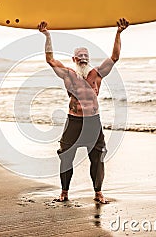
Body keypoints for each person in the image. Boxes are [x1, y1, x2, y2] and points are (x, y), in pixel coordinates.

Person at [38, 18, 129, 204]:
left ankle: (98, 193)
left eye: (85, 55)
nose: (82, 58)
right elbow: (50, 60)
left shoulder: (97, 74)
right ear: (74, 59)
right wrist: (47, 35)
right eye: (79, 56)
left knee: (97, 157)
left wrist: (118, 33)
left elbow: (115, 57)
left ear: (89, 58)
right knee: (65, 156)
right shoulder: (69, 75)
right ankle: (64, 192)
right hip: (74, 121)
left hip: (93, 122)